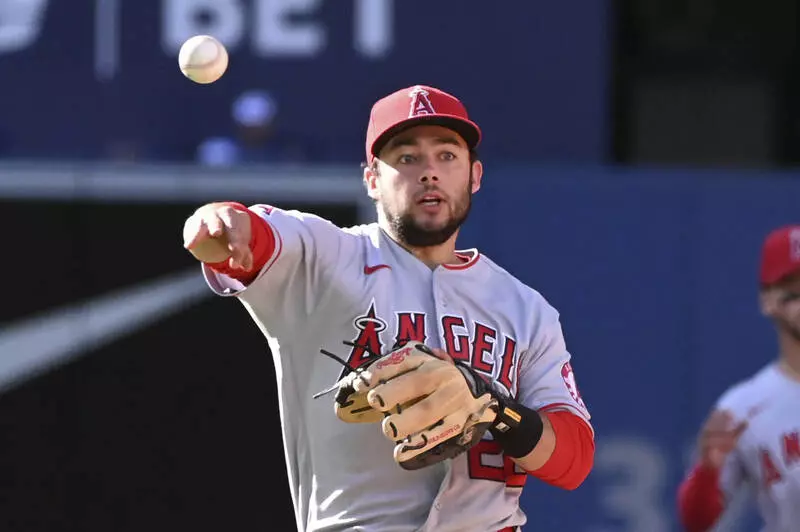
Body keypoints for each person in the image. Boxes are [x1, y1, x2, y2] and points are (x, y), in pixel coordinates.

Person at [182, 84, 595, 532]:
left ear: (474, 176)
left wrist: (493, 405)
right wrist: (222, 220)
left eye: (447, 155)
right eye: (407, 157)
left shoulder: (524, 309)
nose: (429, 173)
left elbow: (573, 460)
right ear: (372, 180)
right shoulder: (327, 258)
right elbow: (255, 235)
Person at [677, 225, 800, 532]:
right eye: (792, 288)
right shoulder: (744, 407)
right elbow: (696, 521)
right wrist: (709, 471)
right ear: (767, 301)